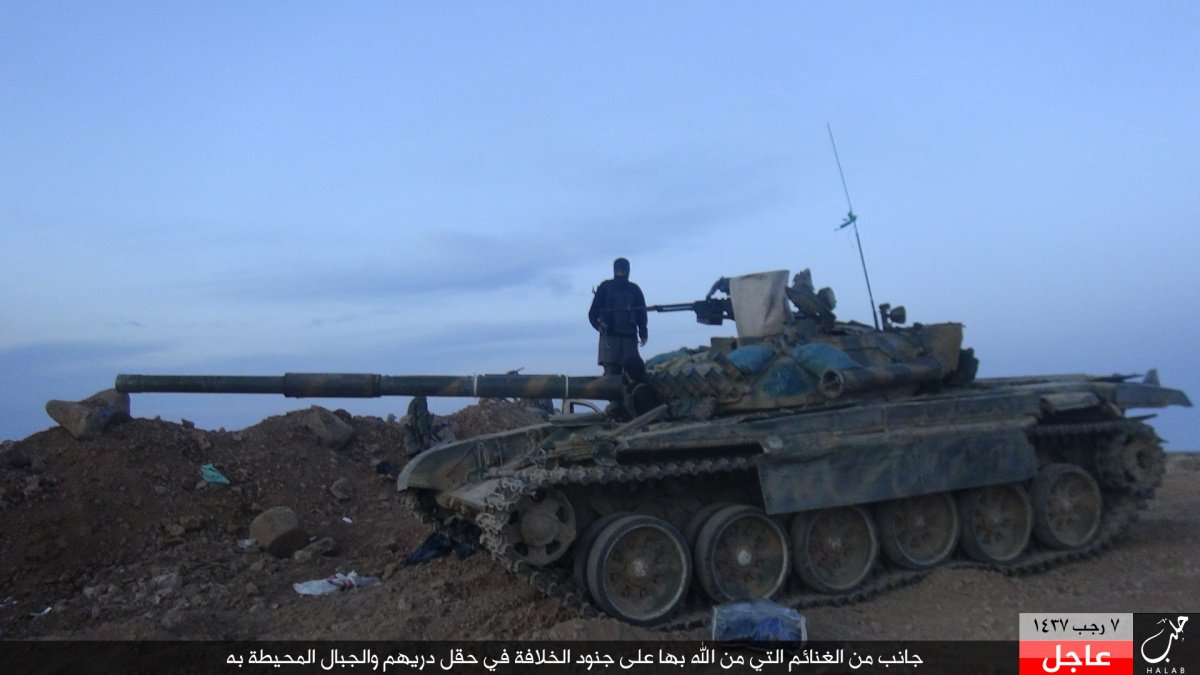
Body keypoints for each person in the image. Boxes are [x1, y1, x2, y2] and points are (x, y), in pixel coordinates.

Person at [588, 257, 648, 376]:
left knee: (632, 372)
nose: (620, 273)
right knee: (611, 374)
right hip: (609, 339)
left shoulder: (634, 289)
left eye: (623, 271)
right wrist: (598, 325)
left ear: (627, 271)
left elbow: (641, 314)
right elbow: (593, 312)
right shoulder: (605, 287)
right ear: (614, 270)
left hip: (629, 339)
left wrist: (643, 333)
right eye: (618, 271)